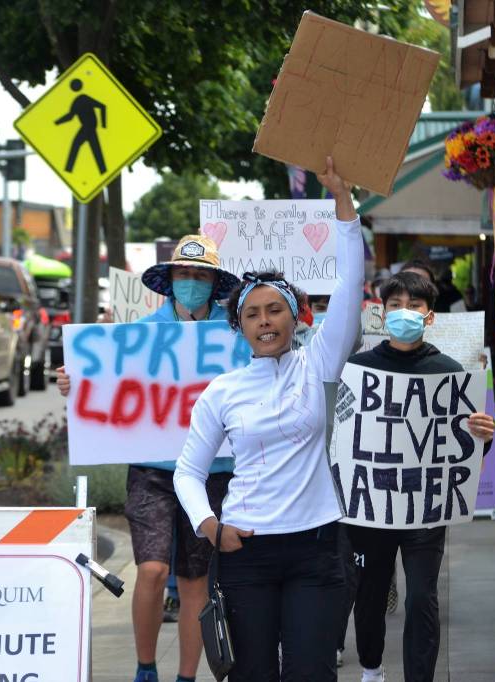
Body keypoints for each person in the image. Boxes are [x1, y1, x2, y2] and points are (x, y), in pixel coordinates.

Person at [173, 157, 362, 680]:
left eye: (274, 310)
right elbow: (187, 472)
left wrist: (344, 207)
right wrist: (210, 527)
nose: (264, 321)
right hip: (245, 552)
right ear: (241, 328)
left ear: (293, 315)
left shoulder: (319, 362)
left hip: (318, 548)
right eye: (252, 314)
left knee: (311, 671)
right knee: (253, 673)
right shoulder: (223, 391)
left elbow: (350, 285)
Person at [56, 234, 240, 682]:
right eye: (184, 274)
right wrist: (74, 384)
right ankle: (145, 667)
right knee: (153, 570)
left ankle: (187, 677)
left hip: (212, 472)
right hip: (152, 471)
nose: (192, 282)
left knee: (196, 579)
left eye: (200, 275)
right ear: (170, 280)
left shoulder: (235, 336)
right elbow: (105, 382)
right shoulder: (138, 336)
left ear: (214, 283)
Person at [345, 271, 495, 682]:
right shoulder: (357, 370)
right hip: (372, 508)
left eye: (414, 306)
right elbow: (340, 435)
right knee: (370, 593)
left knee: (422, 598)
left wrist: (481, 436)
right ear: (381, 312)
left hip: (425, 509)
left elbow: (463, 451)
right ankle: (372, 670)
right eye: (395, 305)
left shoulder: (449, 373)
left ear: (430, 317)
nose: (404, 313)